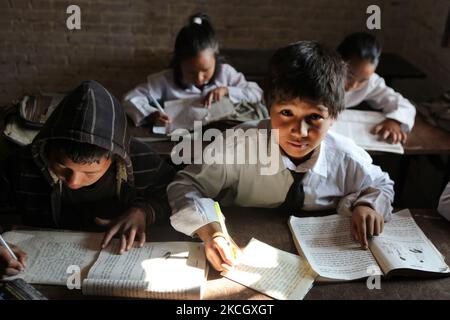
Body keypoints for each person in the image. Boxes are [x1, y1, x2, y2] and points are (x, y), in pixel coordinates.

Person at [167, 41, 395, 271]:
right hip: (245, 243)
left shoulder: (345, 157)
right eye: (286, 113)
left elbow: (382, 184)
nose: (300, 131)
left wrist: (368, 205)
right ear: (269, 109)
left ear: (334, 117)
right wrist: (211, 231)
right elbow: (186, 184)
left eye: (314, 117)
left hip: (324, 256)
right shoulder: (238, 145)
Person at [0, 80, 175, 277]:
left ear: (115, 158)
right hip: (40, 268)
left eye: (90, 173)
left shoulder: (139, 159)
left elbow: (177, 194)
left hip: (116, 268)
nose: (73, 182)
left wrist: (144, 211)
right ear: (48, 148)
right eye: (61, 165)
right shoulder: (22, 165)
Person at [123, 13, 264, 127]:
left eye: (206, 70)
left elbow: (257, 93)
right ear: (179, 63)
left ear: (215, 58)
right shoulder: (165, 80)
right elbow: (130, 99)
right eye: (191, 72)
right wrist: (152, 114)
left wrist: (227, 90)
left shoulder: (225, 74)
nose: (199, 78)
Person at [337, 32, 416, 144]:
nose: (353, 86)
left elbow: (405, 106)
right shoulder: (317, 74)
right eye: (349, 76)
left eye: (362, 80)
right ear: (336, 60)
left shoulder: (371, 82)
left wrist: (394, 121)